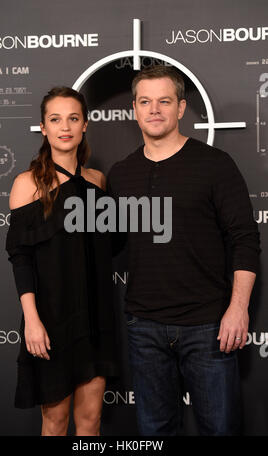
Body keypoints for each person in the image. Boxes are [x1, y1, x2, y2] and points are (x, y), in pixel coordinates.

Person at [107, 65, 260, 436]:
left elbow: (244, 239)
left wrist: (238, 309)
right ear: (134, 109)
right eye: (145, 101)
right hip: (144, 327)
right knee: (154, 432)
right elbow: (106, 244)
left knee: (221, 429)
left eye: (164, 101)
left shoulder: (214, 165)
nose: (154, 109)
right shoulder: (121, 173)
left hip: (208, 325)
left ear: (180, 108)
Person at [6, 86, 118, 436]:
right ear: (43, 127)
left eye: (73, 118)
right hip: (50, 320)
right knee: (54, 422)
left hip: (95, 317)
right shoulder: (28, 184)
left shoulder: (98, 182)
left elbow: (106, 248)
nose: (65, 126)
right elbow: (20, 258)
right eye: (55, 119)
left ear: (85, 124)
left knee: (90, 421)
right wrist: (32, 322)